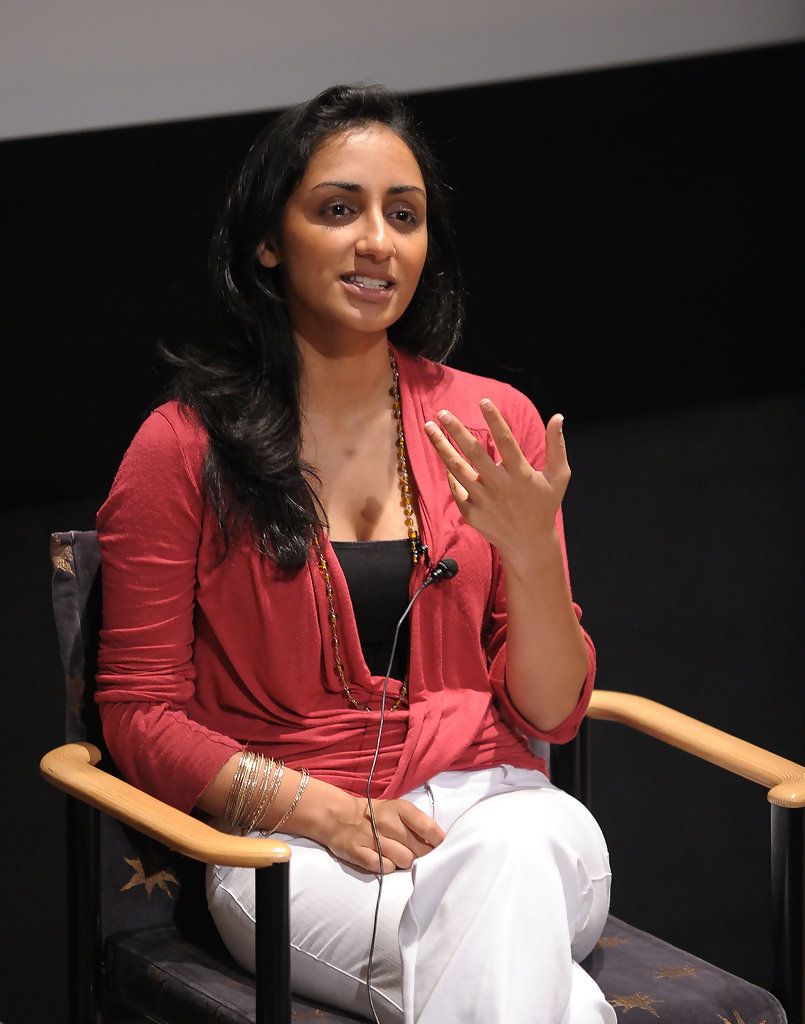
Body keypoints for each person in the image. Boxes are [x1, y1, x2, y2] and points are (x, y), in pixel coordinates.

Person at [96, 84, 615, 1024]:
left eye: (403, 216)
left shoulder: (489, 422)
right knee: (546, 992)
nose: (378, 241)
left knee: (508, 861)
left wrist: (531, 555)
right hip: (291, 845)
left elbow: (549, 711)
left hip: (506, 813)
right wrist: (320, 810)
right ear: (269, 240)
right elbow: (140, 713)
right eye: (339, 210)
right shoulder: (181, 447)